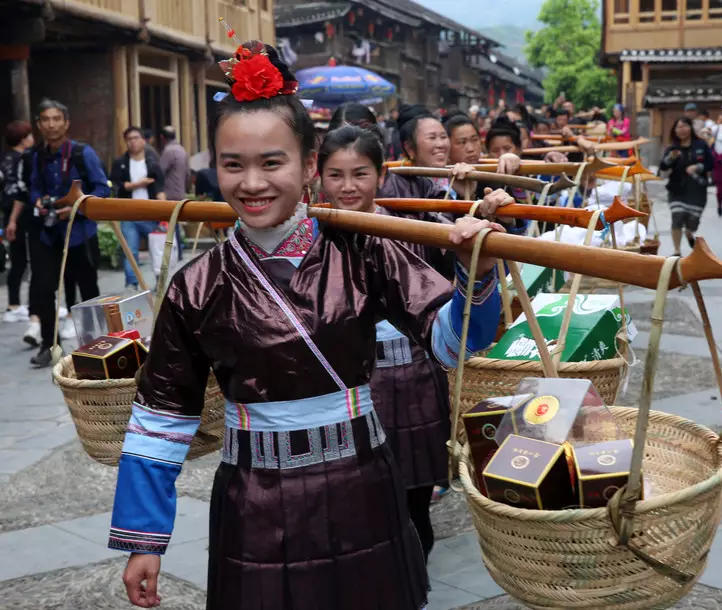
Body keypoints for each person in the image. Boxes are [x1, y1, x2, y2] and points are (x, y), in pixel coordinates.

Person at [111, 40, 503, 610]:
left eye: (272, 162)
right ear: (211, 166)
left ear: (308, 163)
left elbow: (454, 342)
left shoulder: (365, 248)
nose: (252, 183)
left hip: (361, 483)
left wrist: (477, 273)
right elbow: (161, 414)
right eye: (232, 164)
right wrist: (144, 539)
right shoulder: (197, 286)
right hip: (254, 499)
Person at [319, 123, 515, 561]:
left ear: (382, 173)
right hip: (346, 394)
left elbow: (457, 324)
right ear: (317, 177)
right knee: (356, 511)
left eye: (360, 174)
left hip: (410, 380)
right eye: (335, 175)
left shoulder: (412, 231)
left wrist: (481, 229)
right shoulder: (311, 241)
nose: (348, 186)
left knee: (412, 509)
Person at [28, 99, 110, 367]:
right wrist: (39, 200)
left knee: (88, 290)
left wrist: (76, 206)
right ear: (39, 125)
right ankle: (49, 345)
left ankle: (99, 346)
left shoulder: (81, 153)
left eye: (56, 119)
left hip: (79, 233)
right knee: (42, 288)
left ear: (66, 122)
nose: (51, 125)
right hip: (47, 234)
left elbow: (102, 189)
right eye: (45, 120)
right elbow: (34, 188)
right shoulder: (36, 155)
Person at [110, 126, 166, 291]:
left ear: (143, 140)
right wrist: (136, 185)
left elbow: (160, 188)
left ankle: (160, 281)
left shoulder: (152, 163)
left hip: (150, 212)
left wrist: (165, 212)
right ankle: (132, 284)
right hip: (129, 213)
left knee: (157, 249)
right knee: (130, 250)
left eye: (136, 138)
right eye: (129, 139)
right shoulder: (120, 163)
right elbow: (116, 186)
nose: (133, 142)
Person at [659, 117, 714, 256]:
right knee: (677, 217)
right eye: (679, 127)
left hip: (697, 190)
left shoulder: (701, 145)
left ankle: (689, 234)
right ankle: (677, 251)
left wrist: (698, 167)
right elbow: (663, 166)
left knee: (692, 222)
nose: (681, 130)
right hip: (677, 188)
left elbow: (711, 163)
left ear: (690, 128)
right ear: (675, 130)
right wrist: (671, 158)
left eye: (684, 126)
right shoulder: (672, 148)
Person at [1, 121, 36, 326]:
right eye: (29, 135)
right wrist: (14, 219)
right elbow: (18, 193)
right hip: (19, 215)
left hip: (8, 214)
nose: (32, 139)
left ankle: (14, 305)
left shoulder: (4, 159)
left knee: (18, 261)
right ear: (23, 139)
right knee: (26, 260)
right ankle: (20, 307)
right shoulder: (21, 159)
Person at [158, 126, 189, 201]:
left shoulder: (168, 151)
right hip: (181, 193)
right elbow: (188, 173)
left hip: (170, 195)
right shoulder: (182, 150)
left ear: (162, 137)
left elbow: (160, 172)